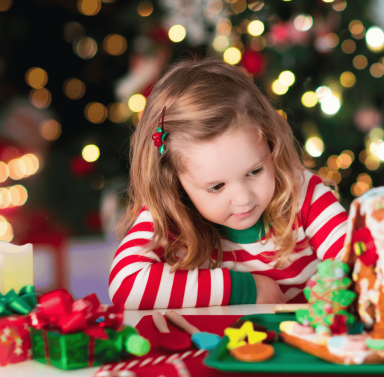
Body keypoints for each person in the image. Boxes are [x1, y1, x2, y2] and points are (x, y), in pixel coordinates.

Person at [109, 58, 347, 309]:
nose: (243, 198)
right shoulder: (170, 212)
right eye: (217, 187)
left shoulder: (304, 193)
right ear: (174, 181)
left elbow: (359, 259)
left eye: (255, 171)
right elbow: (125, 284)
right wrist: (247, 289)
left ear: (271, 145)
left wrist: (336, 283)